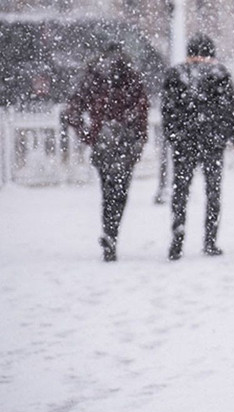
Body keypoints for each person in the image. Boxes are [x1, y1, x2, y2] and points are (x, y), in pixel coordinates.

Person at [161, 33, 234, 260]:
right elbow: (229, 111)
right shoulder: (219, 74)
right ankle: (210, 240)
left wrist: (174, 136)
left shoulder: (175, 74)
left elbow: (167, 111)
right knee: (213, 191)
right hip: (212, 142)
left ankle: (178, 234)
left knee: (181, 190)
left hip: (184, 142)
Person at [65, 42, 149, 262]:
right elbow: (142, 111)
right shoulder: (131, 77)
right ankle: (112, 233)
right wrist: (140, 138)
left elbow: (72, 110)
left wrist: (89, 134)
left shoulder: (93, 77)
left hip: (103, 141)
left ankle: (109, 232)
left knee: (108, 191)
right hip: (126, 141)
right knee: (120, 192)